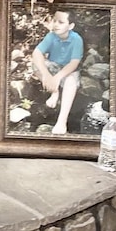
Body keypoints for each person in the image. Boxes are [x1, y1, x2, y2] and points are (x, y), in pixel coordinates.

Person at [32, 8, 83, 136]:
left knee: (71, 81)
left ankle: (62, 121)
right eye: (54, 21)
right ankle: (54, 92)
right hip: (53, 68)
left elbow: (74, 63)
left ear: (70, 26)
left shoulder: (77, 39)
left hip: (67, 71)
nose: (55, 25)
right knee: (35, 65)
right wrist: (47, 76)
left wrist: (57, 78)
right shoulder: (51, 36)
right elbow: (37, 53)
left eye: (61, 22)